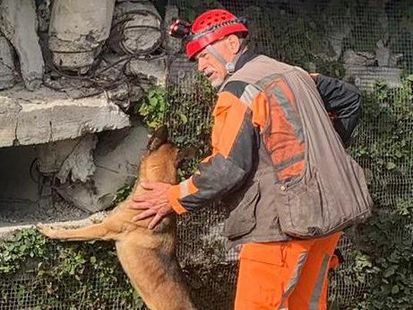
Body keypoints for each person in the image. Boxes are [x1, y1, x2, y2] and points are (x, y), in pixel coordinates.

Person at [129, 9, 372, 310]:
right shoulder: (293, 74)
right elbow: (349, 99)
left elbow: (227, 167)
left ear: (232, 43)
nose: (200, 66)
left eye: (204, 54)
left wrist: (174, 196)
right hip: (327, 219)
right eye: (196, 59)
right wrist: (323, 154)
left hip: (281, 228)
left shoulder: (239, 90)